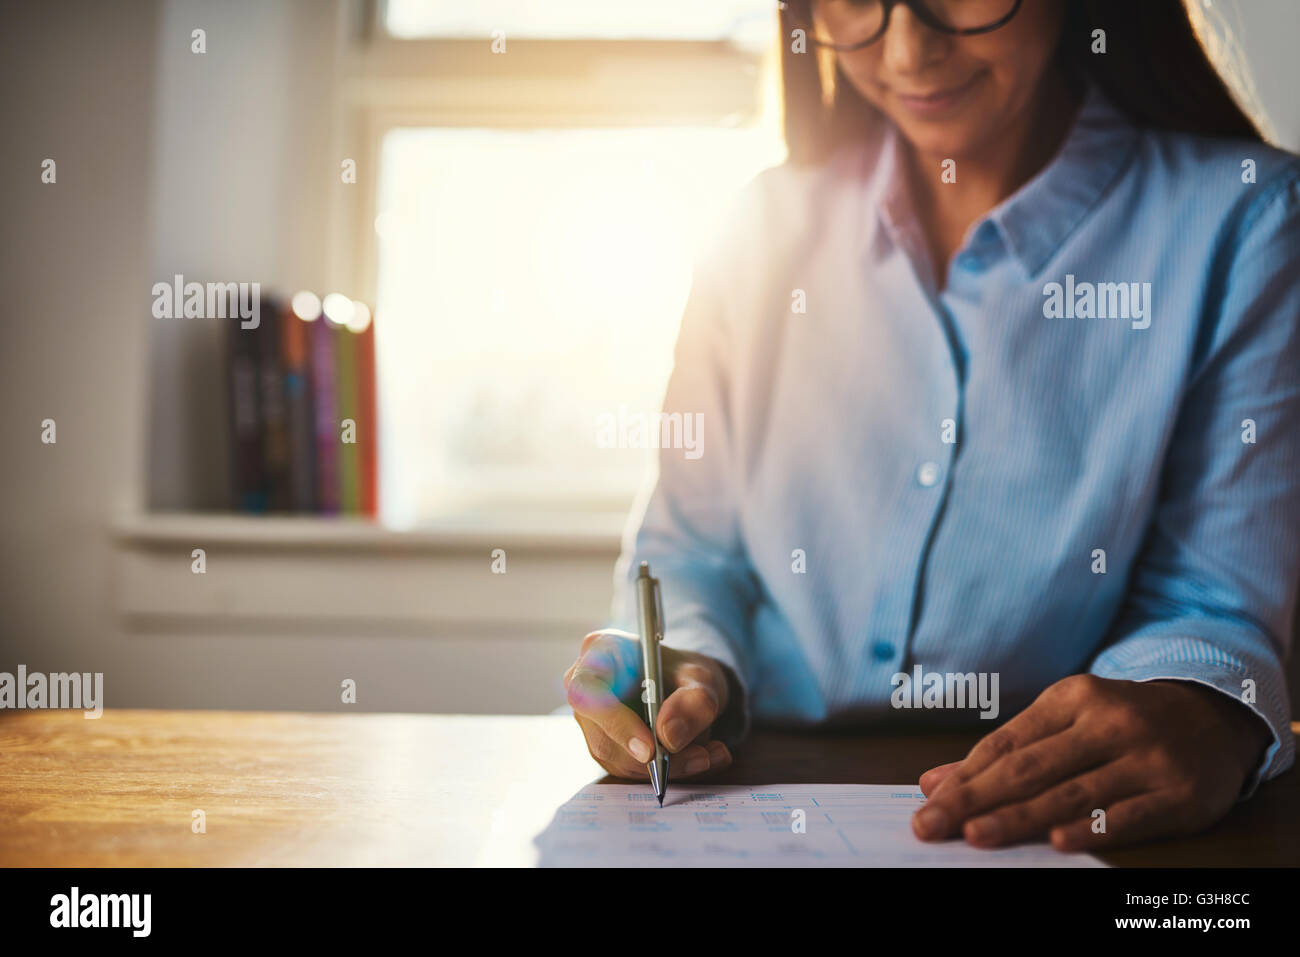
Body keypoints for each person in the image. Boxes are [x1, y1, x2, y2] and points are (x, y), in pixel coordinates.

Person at [563, 0, 1299, 852]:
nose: (910, 50)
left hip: (1048, 815)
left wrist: (1201, 708)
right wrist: (684, 661)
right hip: (742, 798)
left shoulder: (1248, 221)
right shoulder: (759, 227)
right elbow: (692, 552)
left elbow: (1212, 605)